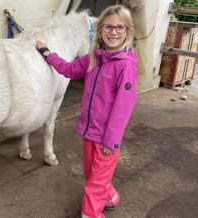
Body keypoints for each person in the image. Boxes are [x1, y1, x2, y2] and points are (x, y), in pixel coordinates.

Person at [36, 5, 138, 218]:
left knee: (96, 182)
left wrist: (112, 140)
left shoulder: (125, 66)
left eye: (120, 27)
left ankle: (90, 213)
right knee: (93, 174)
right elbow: (68, 69)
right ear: (100, 29)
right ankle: (109, 196)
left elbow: (123, 108)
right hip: (89, 132)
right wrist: (47, 54)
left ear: (128, 31)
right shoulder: (94, 58)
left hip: (107, 139)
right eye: (109, 27)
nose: (114, 32)